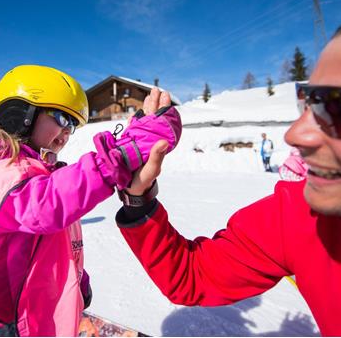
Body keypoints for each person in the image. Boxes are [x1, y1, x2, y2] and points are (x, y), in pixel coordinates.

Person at [115, 28, 341, 336]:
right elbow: (194, 275)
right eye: (312, 102)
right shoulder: (300, 216)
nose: (294, 134)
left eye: (337, 105)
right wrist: (137, 197)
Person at [0, 64, 181, 337]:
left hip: (22, 311)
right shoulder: (2, 177)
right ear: (20, 114)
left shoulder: (35, 174)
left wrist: (75, 281)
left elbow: (43, 241)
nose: (67, 132)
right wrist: (125, 152)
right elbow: (50, 204)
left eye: (72, 125)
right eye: (62, 118)